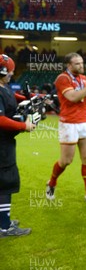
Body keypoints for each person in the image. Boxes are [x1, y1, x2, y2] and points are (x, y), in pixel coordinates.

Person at [45, 53, 86, 204]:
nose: (81, 66)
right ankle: (51, 183)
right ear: (69, 65)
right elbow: (72, 97)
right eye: (77, 64)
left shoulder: (84, 79)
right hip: (69, 123)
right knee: (66, 160)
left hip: (85, 121)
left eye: (82, 63)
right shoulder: (62, 79)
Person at [0, 54, 36, 237]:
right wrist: (24, 125)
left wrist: (28, 98)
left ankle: (2, 220)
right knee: (6, 182)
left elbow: (10, 95)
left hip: (4, 141)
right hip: (2, 144)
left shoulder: (2, 86)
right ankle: (4, 227)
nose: (11, 75)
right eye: (10, 71)